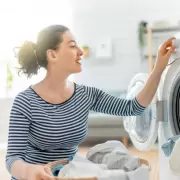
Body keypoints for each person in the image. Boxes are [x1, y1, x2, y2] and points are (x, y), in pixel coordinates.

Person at [5, 24, 175, 180]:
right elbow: (13, 159)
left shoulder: (85, 95)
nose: (80, 51)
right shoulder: (25, 102)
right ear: (52, 54)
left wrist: (159, 67)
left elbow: (133, 107)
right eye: (72, 45)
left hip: (67, 175)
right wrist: (31, 172)